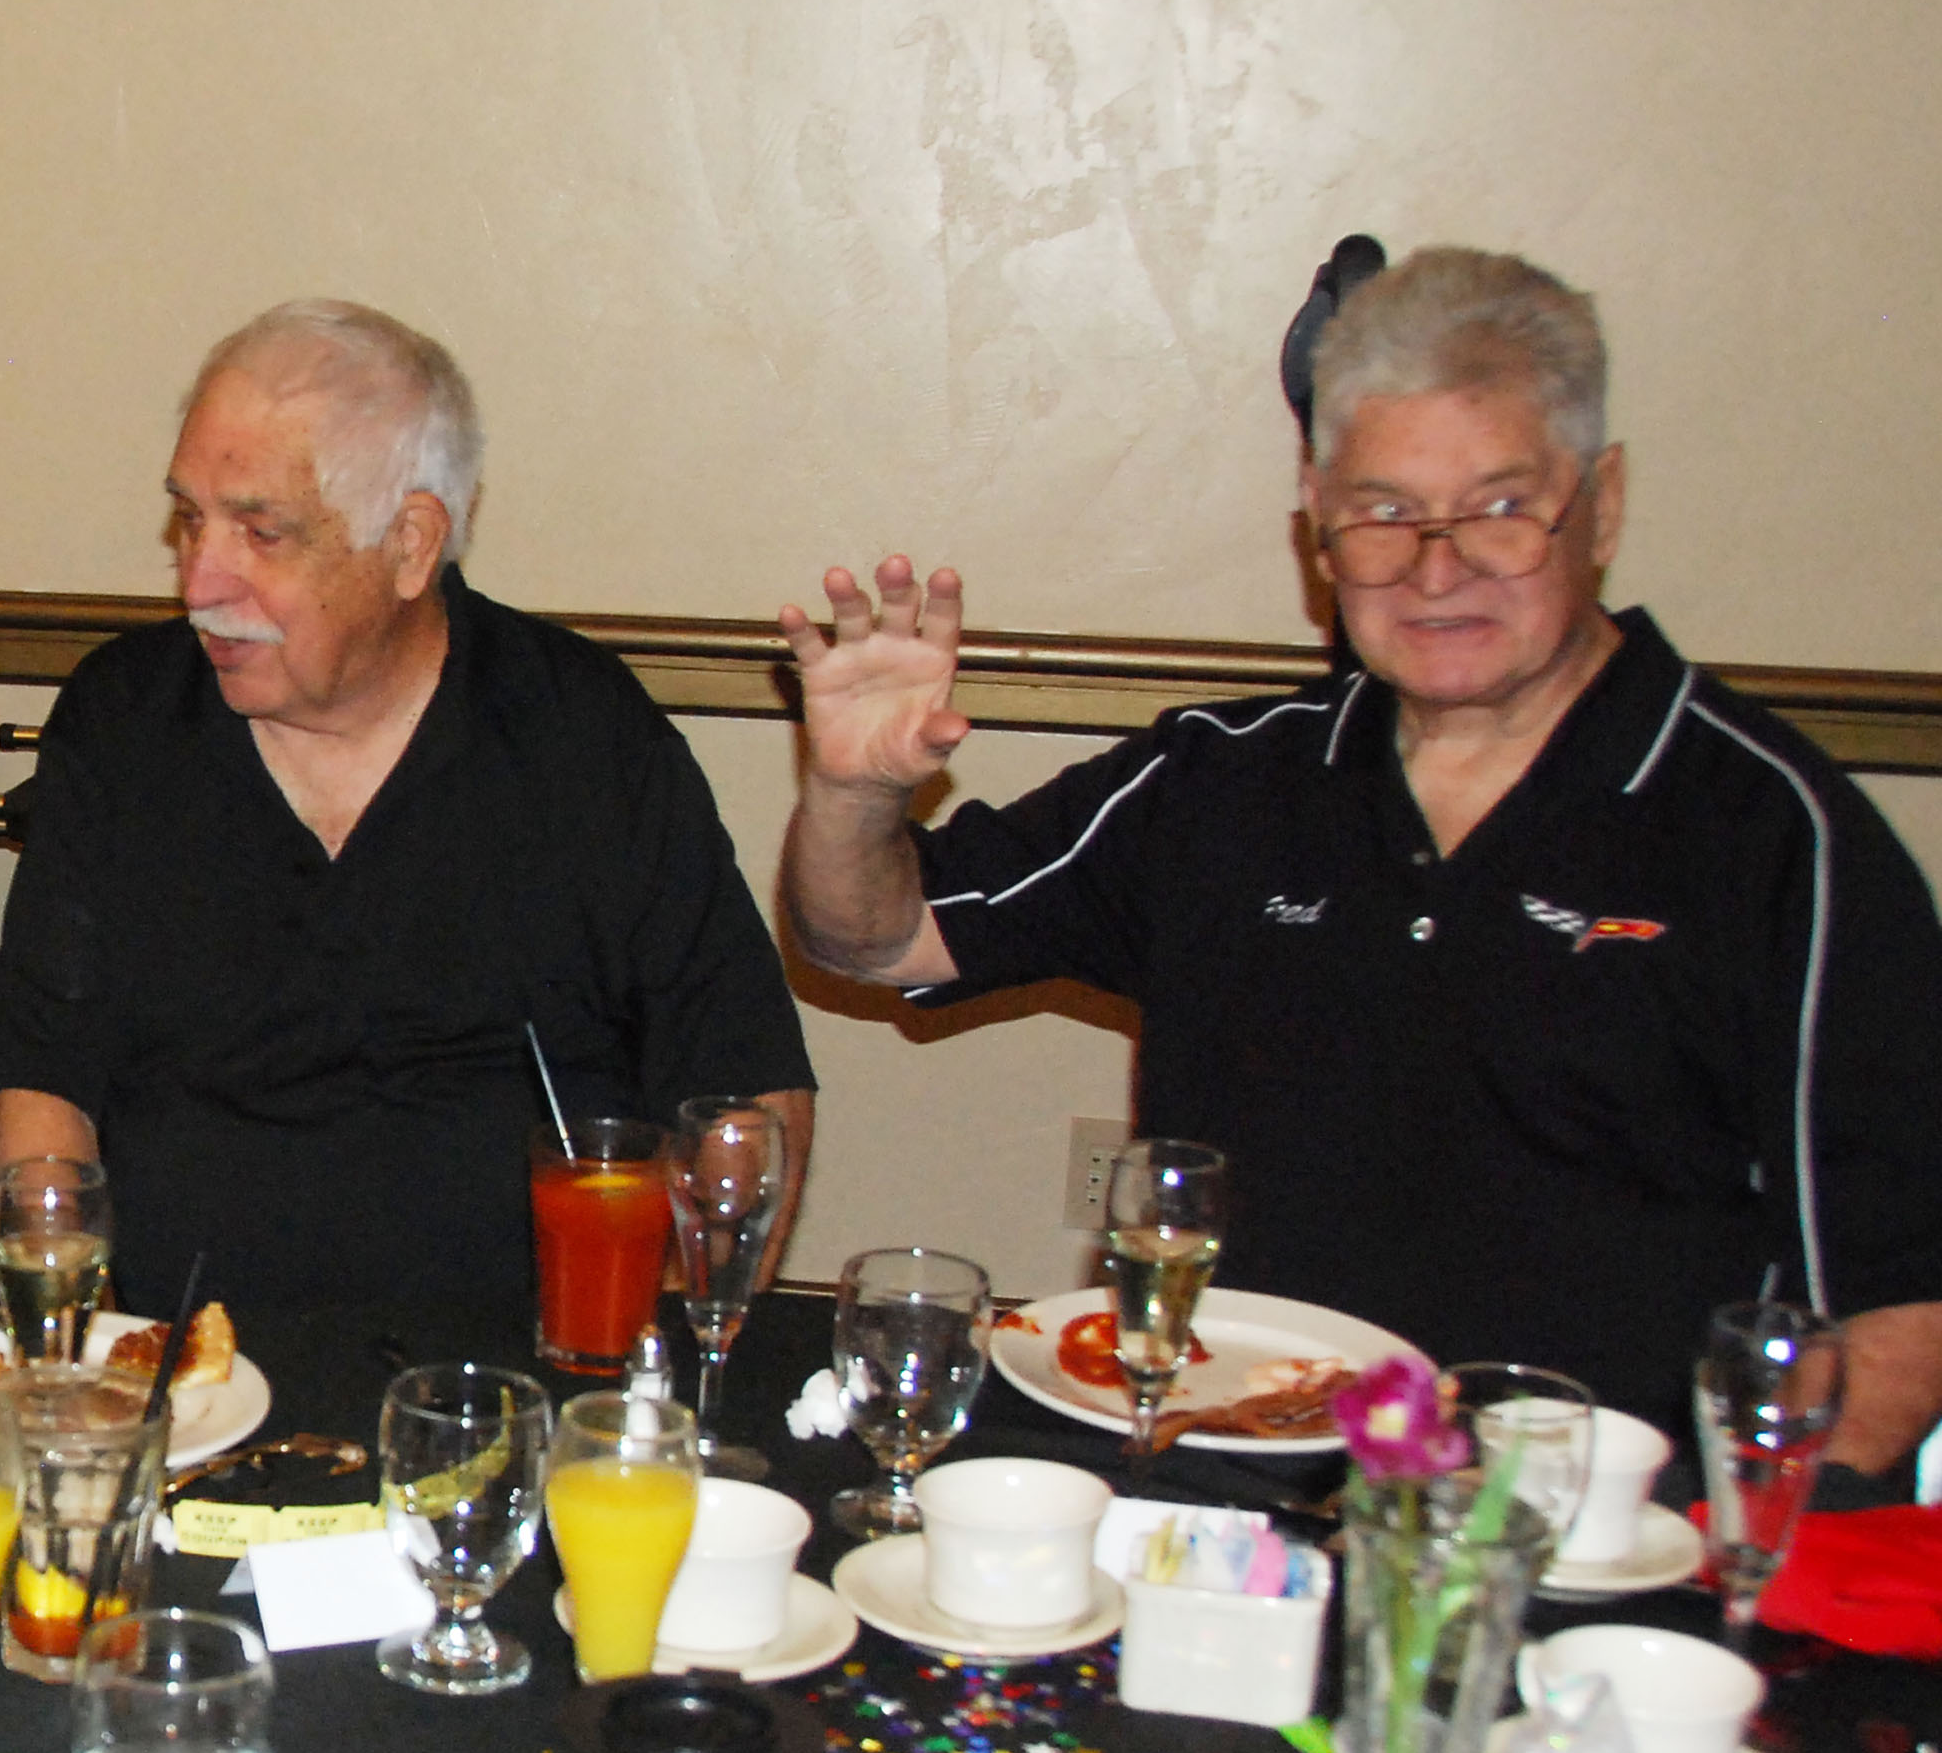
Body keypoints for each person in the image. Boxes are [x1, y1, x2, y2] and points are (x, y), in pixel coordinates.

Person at [779, 246, 1942, 1475]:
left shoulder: (1772, 834)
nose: (1438, 570)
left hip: (1596, 1562)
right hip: (1221, 1519)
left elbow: (1900, 1307)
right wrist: (851, 794)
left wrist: (1741, 1593)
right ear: (1319, 533)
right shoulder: (1225, 782)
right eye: (1384, 515)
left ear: (1600, 502)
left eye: (1501, 508)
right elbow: (877, 936)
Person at [0, 299, 817, 1318]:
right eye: (190, 518)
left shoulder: (580, 735)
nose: (202, 578)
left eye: (262, 530)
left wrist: (675, 1345)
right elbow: (41, 1095)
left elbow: (744, 1094)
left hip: (525, 1384)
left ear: (413, 543)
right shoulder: (125, 724)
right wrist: (69, 1351)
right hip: (180, 1380)